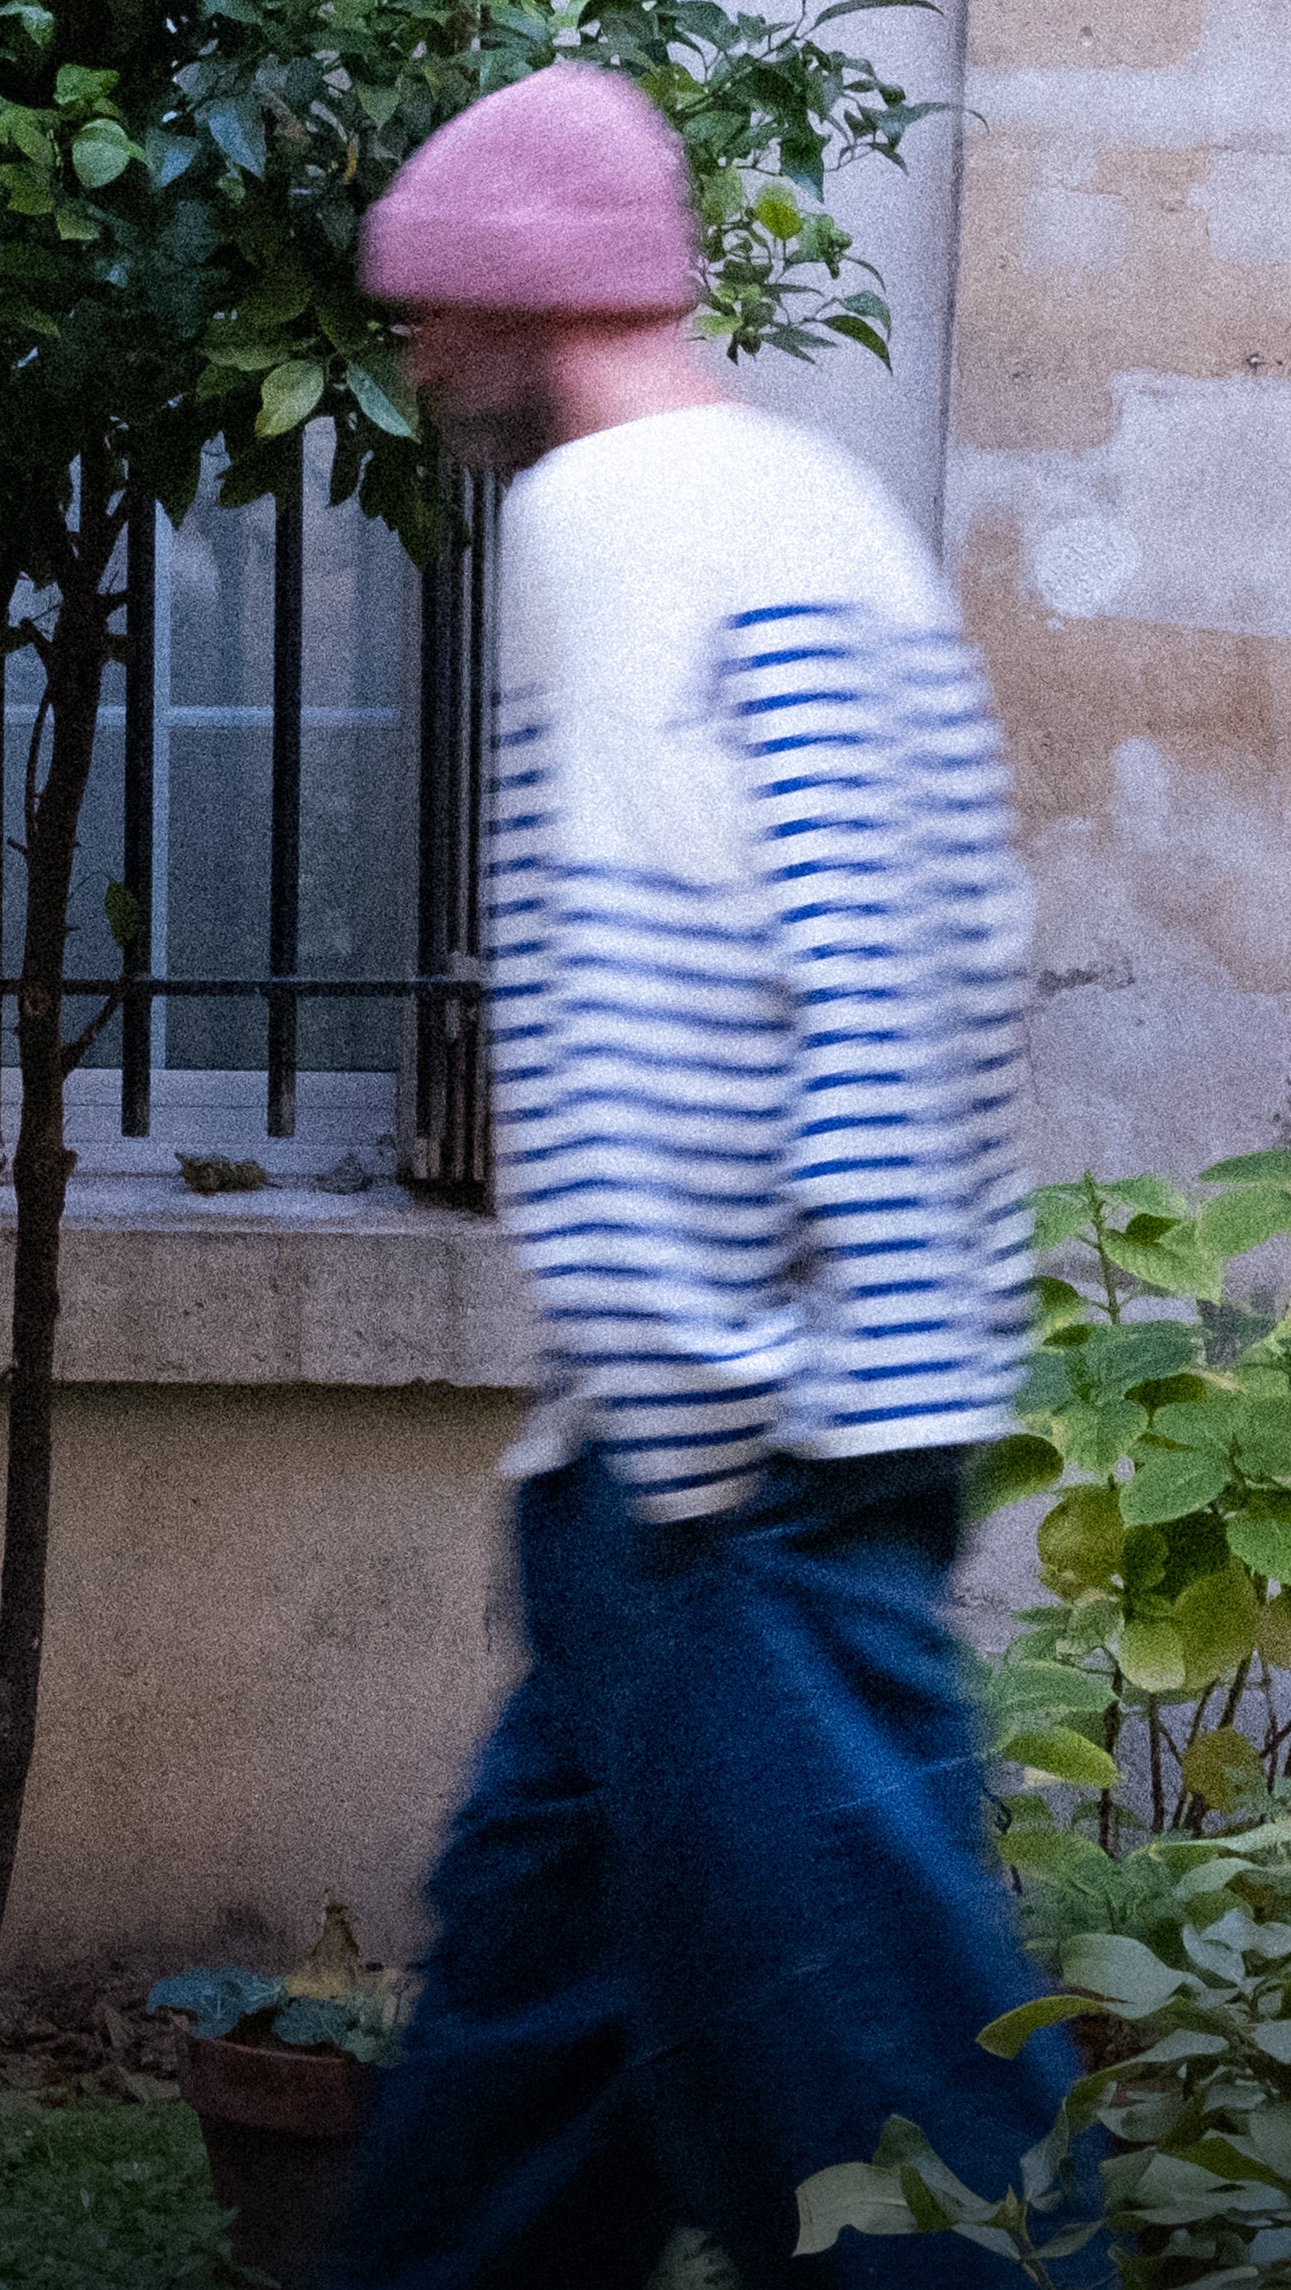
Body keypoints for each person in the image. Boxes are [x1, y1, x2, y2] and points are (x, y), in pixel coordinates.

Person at [319, 62, 1080, 2290]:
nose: (414, 362)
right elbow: (951, 957)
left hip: (728, 1488)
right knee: (498, 2149)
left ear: (509, 298)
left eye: (422, 318)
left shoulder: (607, 523)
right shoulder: (814, 509)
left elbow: (648, 970)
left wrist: (684, 1416)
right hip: (790, 1439)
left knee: (916, 2172)